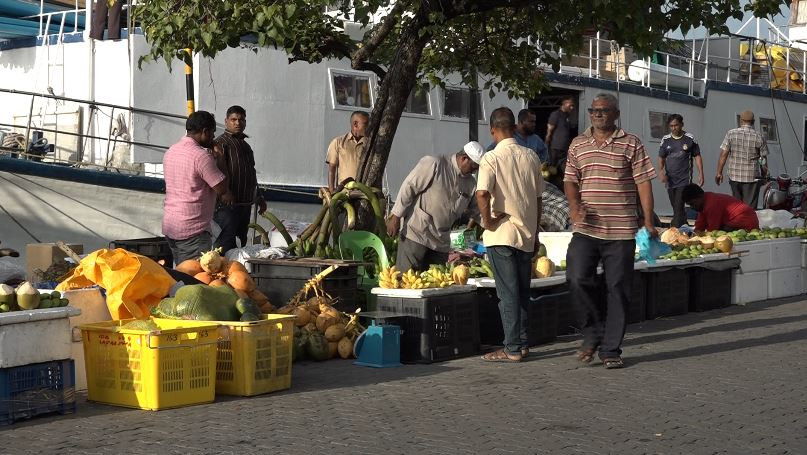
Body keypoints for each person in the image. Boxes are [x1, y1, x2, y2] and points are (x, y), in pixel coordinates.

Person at [564, 93, 657, 369]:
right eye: (593, 110)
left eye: (604, 110)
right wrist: (574, 204)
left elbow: (643, 183)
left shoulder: (632, 143)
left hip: (622, 230)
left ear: (616, 114)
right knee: (576, 278)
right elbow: (570, 180)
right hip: (586, 228)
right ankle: (592, 332)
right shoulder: (578, 144)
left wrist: (649, 221)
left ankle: (611, 349)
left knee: (617, 289)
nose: (598, 114)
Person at [477, 107, 544, 363]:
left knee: (507, 293)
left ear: (493, 130)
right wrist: (536, 233)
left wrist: (488, 220)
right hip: (526, 234)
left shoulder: (491, 158)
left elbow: (482, 193)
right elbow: (539, 200)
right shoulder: (531, 157)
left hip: (502, 234)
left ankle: (512, 347)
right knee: (522, 292)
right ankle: (522, 343)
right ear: (514, 128)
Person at [386, 142, 485, 272]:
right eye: (473, 167)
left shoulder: (471, 184)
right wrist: (396, 216)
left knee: (435, 284)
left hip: (441, 242)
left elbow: (477, 211)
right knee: (406, 281)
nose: (474, 171)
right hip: (418, 233)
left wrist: (493, 226)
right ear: (464, 158)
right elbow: (409, 187)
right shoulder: (435, 163)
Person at [162, 111, 234, 265]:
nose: (213, 138)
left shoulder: (171, 151)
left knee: (180, 273)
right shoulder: (201, 157)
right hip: (193, 230)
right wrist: (220, 158)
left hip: (171, 225)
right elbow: (222, 189)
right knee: (194, 280)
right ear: (205, 131)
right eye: (213, 133)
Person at [211, 105, 266, 253]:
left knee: (241, 245)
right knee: (224, 245)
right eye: (233, 119)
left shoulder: (246, 146)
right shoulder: (220, 143)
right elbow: (215, 171)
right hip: (226, 206)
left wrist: (259, 196)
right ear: (226, 121)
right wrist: (225, 191)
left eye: (241, 120)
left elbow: (251, 173)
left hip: (245, 204)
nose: (237, 123)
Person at [658, 114, 704, 228]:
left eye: (676, 125)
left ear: (682, 125)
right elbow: (661, 158)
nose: (674, 128)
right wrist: (661, 171)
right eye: (671, 126)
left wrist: (701, 173)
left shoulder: (689, 139)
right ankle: (685, 226)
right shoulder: (666, 140)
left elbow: (697, 156)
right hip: (670, 179)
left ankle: (675, 228)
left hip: (684, 179)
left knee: (678, 205)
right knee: (675, 206)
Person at [716, 109, 768, 209]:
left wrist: (719, 172)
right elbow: (763, 159)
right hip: (751, 177)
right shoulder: (759, 136)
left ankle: (737, 223)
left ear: (741, 120)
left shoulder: (731, 133)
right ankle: (748, 224)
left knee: (736, 205)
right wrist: (764, 174)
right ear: (753, 122)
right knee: (749, 208)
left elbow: (723, 154)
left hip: (734, 176)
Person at [682, 184, 759, 232]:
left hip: (746, 221)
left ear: (699, 197)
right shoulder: (704, 201)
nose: (692, 207)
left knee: (721, 232)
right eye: (690, 205)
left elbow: (713, 229)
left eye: (693, 204)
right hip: (743, 218)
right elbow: (700, 223)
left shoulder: (711, 204)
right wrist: (695, 234)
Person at [326, 111, 369, 192]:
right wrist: (332, 191)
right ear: (355, 124)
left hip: (364, 193)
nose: (369, 127)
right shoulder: (338, 142)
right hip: (344, 192)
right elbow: (332, 168)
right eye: (365, 124)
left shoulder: (370, 144)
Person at [545, 96, 576, 168]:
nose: (572, 107)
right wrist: (546, 145)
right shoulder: (556, 114)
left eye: (573, 106)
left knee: (563, 170)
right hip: (555, 148)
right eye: (570, 105)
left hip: (564, 149)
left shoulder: (567, 116)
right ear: (564, 103)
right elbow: (549, 130)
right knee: (552, 169)